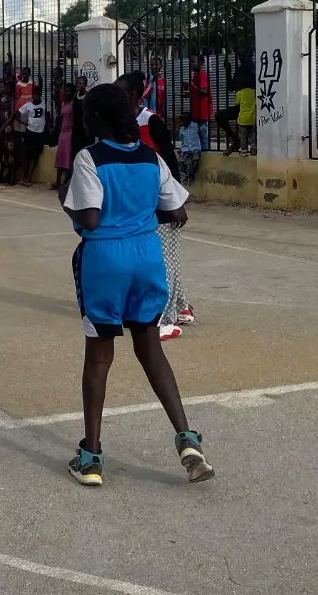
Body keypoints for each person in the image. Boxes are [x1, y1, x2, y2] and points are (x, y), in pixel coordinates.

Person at [61, 83, 214, 487]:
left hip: (105, 259)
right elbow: (177, 212)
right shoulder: (151, 157)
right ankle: (186, 438)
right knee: (150, 349)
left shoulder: (89, 158)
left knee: (98, 356)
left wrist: (66, 199)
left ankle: (91, 457)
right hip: (147, 256)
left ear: (95, 119)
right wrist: (141, 217)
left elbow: (90, 218)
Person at [118, 71, 190, 339]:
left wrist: (173, 201)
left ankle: (164, 317)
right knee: (161, 257)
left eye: (121, 93)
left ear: (135, 96)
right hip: (136, 201)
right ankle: (181, 306)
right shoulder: (120, 124)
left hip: (158, 200)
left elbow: (169, 164)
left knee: (162, 260)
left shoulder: (151, 121)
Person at [16, 87, 48, 187]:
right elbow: (16, 114)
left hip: (40, 133)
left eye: (37, 94)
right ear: (32, 95)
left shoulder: (44, 104)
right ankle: (24, 177)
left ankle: (29, 177)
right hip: (30, 132)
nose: (36, 96)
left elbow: (48, 117)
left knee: (35, 156)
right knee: (27, 156)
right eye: (34, 94)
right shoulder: (28, 105)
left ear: (40, 95)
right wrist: (23, 122)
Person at [184, 55, 212, 151]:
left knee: (203, 138)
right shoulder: (196, 75)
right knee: (198, 137)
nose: (190, 64)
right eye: (190, 61)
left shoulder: (202, 74)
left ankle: (206, 155)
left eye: (193, 61)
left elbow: (204, 91)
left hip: (202, 112)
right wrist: (188, 93)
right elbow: (197, 93)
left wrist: (191, 85)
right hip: (197, 111)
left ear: (200, 63)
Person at [54, 81, 76, 189]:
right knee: (60, 156)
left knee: (67, 158)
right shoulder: (63, 103)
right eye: (65, 91)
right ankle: (57, 181)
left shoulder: (73, 103)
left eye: (68, 91)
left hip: (70, 132)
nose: (66, 93)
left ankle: (65, 182)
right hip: (62, 132)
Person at [179, 114, 202, 185]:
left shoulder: (195, 126)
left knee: (195, 161)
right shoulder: (182, 129)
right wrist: (182, 149)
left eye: (183, 121)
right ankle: (186, 176)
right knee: (181, 162)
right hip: (185, 149)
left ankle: (191, 175)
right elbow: (182, 139)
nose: (182, 123)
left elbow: (203, 134)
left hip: (195, 149)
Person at [235, 81, 256, 156]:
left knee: (243, 135)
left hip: (243, 118)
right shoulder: (254, 92)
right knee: (252, 134)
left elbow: (237, 103)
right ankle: (253, 148)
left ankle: (244, 149)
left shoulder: (240, 93)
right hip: (252, 118)